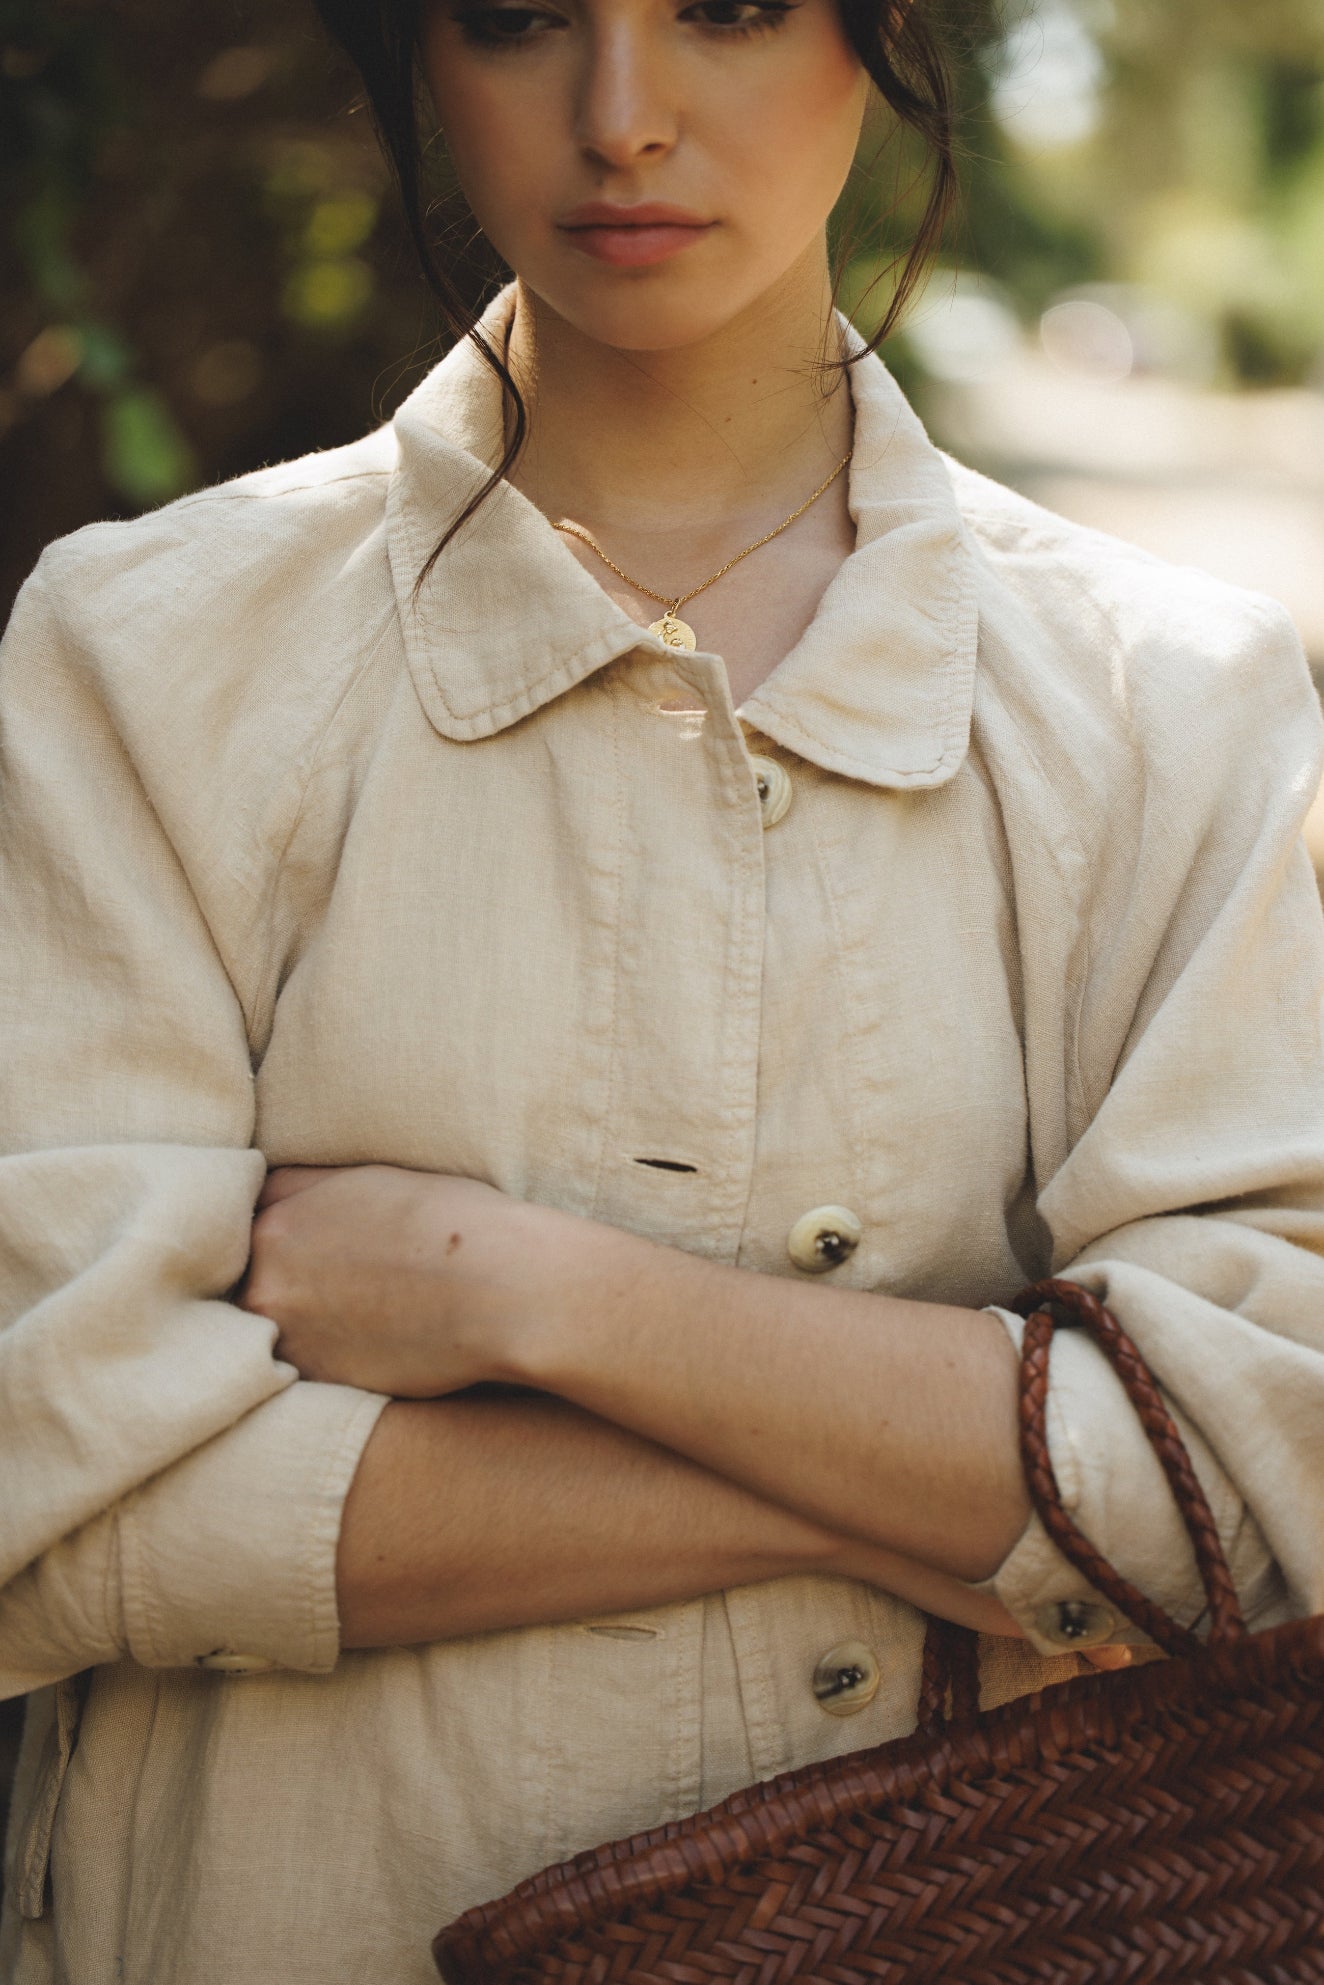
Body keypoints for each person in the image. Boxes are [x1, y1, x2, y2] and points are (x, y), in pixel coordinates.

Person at [2, 0, 1323, 1976]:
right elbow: (55, 1499)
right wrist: (936, 1486)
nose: (620, 118)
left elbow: (1262, 1481)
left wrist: (525, 1294)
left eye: (721, 7)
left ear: (889, 38)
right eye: (521, 19)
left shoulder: (1176, 712)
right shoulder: (150, 653)